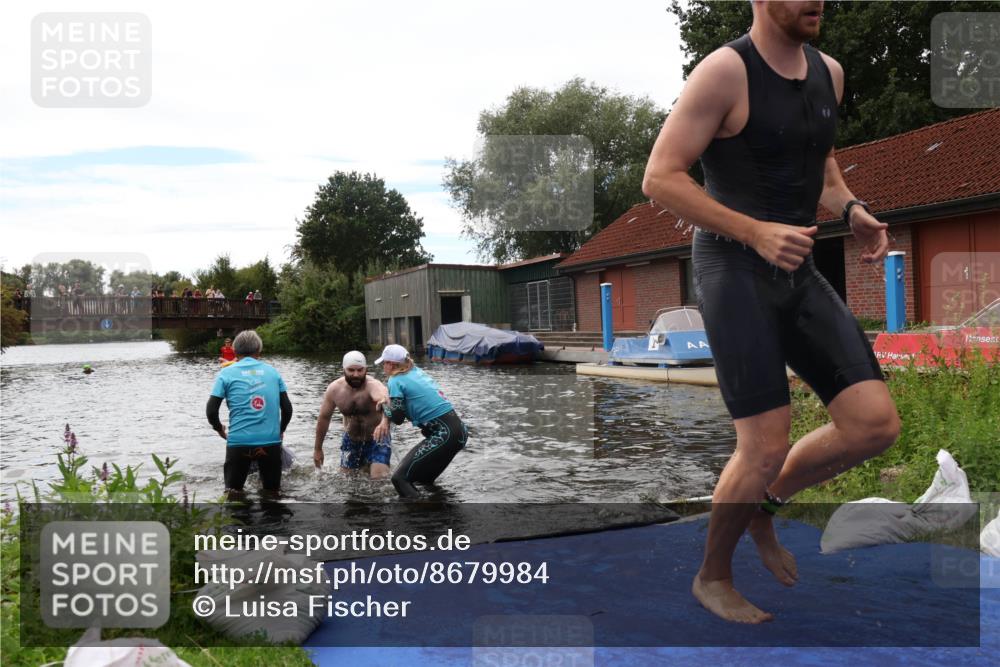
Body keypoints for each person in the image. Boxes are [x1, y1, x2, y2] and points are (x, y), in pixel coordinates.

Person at [642, 0, 899, 624]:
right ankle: (713, 576)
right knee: (762, 444)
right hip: (733, 269)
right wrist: (755, 231)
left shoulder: (829, 72)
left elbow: (821, 165)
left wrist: (851, 210)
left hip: (796, 269)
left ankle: (765, 504)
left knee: (873, 424)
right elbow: (660, 177)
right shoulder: (725, 72)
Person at [206, 330, 293, 497]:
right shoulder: (273, 372)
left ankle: (239, 522)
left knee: (233, 494)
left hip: (239, 442)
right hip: (270, 442)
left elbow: (211, 411)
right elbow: (287, 409)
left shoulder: (225, 374)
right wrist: (280, 430)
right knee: (272, 493)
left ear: (235, 352)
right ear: (259, 351)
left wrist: (219, 429)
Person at [374, 344, 468, 498]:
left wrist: (383, 406)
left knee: (399, 479)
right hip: (459, 432)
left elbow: (397, 418)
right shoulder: (416, 371)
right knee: (424, 481)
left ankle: (417, 518)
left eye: (384, 363)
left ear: (391, 364)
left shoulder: (395, 380)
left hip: (444, 435)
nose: (383, 367)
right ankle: (438, 516)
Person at [313, 351, 392, 479]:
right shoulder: (334, 389)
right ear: (343, 369)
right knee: (347, 480)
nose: (356, 374)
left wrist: (385, 419)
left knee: (379, 479)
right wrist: (318, 449)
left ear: (366, 369)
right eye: (351, 370)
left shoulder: (373, 386)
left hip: (378, 439)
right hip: (351, 440)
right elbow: (324, 418)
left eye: (360, 370)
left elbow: (385, 400)